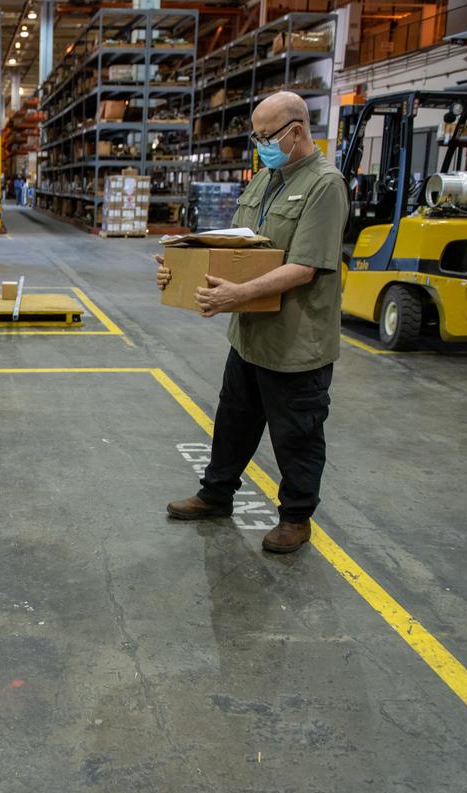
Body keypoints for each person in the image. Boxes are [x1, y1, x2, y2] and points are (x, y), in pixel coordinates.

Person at [154, 92, 348, 554]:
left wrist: (238, 295)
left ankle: (296, 517)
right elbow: (234, 246)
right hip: (250, 333)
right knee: (234, 420)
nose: (260, 145)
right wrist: (178, 266)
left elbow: (305, 267)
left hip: (296, 340)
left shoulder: (324, 185)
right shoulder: (266, 179)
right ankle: (216, 495)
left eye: (266, 136)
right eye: (256, 136)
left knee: (295, 433)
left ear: (296, 131)